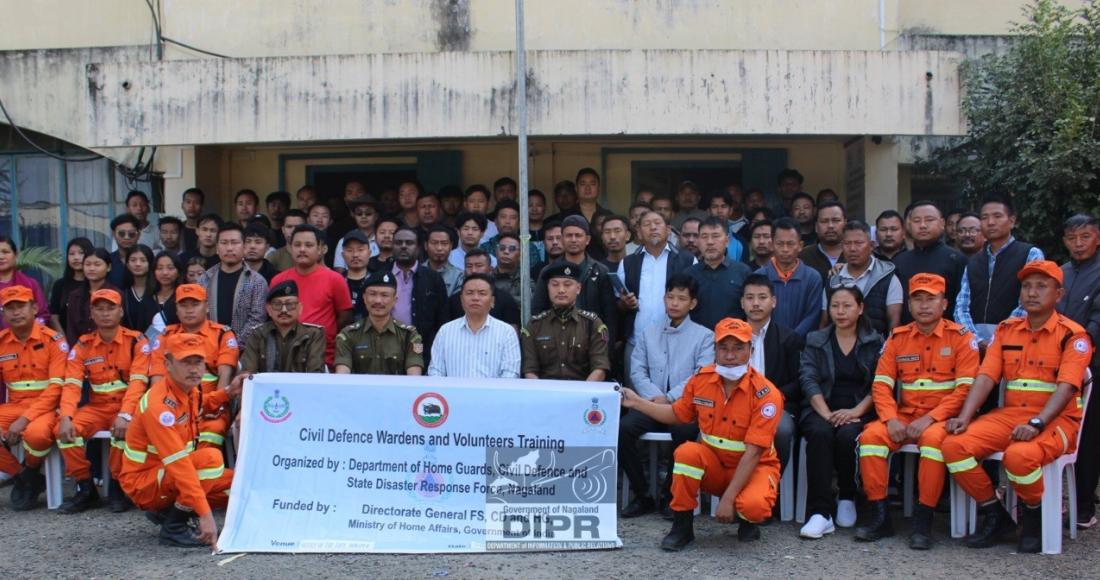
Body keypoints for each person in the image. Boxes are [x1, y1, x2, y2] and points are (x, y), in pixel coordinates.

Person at [943, 261, 1090, 553]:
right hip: (1010, 415)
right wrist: (965, 416)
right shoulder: (1007, 330)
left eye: (1041, 286)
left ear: (1059, 294)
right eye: (1026, 286)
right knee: (953, 446)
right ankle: (995, 514)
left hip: (1056, 420)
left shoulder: (1073, 335)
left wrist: (1037, 423)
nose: (1032, 293)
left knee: (1019, 456)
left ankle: (1033, 514)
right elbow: (986, 377)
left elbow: (1067, 386)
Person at [621, 317, 784, 550]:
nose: (730, 356)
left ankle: (746, 520)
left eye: (738, 348)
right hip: (715, 465)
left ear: (752, 350)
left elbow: (754, 453)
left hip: (752, 468)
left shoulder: (766, 394)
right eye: (723, 348)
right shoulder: (701, 381)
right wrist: (638, 403)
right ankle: (682, 528)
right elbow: (677, 414)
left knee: (754, 507)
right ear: (714, 350)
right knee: (686, 453)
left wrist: (728, 499)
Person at [853, 274, 979, 549]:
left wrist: (931, 418)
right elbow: (881, 385)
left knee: (933, 443)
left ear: (944, 303)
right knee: (871, 438)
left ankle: (924, 521)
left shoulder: (961, 338)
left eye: (930, 299)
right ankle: (880, 516)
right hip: (904, 415)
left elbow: (965, 390)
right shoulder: (897, 338)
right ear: (909, 305)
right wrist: (890, 419)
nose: (924, 305)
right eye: (917, 299)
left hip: (940, 419)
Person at [121, 333, 241, 547]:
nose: (194, 369)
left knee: (240, 484)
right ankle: (174, 527)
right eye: (186, 362)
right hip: (146, 484)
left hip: (165, 477)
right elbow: (179, 464)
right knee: (211, 459)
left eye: (198, 362)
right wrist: (206, 516)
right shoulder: (159, 406)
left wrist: (229, 392)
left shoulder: (187, 390)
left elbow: (201, 403)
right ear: (168, 364)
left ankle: (168, 512)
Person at [620, 274, 712, 518]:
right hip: (650, 404)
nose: (674, 303)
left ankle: (670, 494)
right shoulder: (648, 333)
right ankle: (643, 495)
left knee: (684, 430)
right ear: (664, 299)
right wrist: (655, 397)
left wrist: (670, 397)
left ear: (693, 303)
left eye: (681, 298)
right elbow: (637, 370)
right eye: (670, 297)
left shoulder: (705, 336)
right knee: (623, 429)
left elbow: (700, 376)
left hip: (684, 407)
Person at [54, 288, 150, 513]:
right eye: (99, 309)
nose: (105, 313)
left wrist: (125, 414)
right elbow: (72, 385)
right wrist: (66, 416)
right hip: (97, 407)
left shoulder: (136, 341)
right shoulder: (83, 345)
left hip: (127, 407)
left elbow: (138, 383)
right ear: (91, 313)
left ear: (121, 312)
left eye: (110, 308)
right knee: (64, 431)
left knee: (125, 432)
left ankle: (118, 486)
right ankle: (86, 487)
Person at [798, 286, 884, 539]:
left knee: (848, 435)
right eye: (835, 306)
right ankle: (820, 512)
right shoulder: (816, 339)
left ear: (860, 308)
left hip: (860, 408)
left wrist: (856, 411)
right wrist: (826, 414)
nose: (840, 311)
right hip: (822, 407)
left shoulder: (874, 341)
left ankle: (847, 495)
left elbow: (880, 383)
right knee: (820, 433)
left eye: (847, 306)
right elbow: (808, 379)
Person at [0, 286, 68, 504]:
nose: (15, 312)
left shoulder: (53, 340)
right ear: (4, 314)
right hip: (15, 405)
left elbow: (56, 388)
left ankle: (30, 469)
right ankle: (24, 476)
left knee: (36, 434)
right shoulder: (1, 342)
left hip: (46, 407)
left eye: (21, 306)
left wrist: (23, 420)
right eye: (10, 308)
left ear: (35, 308)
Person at [956, 194, 1045, 350]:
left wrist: (999, 338)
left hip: (1017, 341)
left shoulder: (1030, 254)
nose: (990, 222)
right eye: (984, 217)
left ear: (1012, 221)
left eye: (997, 216)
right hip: (974, 346)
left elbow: (1029, 302)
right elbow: (961, 307)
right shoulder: (974, 261)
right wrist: (975, 339)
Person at [1057, 215, 1100, 528]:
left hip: (1092, 366)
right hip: (1055, 365)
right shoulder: (1060, 272)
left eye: (1085, 237)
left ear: (1097, 237)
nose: (1079, 244)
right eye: (1072, 238)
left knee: (1088, 437)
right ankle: (1052, 501)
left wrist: (1077, 349)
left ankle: (1084, 505)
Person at [618, 211, 695, 382]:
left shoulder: (688, 260)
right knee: (634, 393)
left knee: (674, 392)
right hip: (637, 341)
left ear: (668, 230)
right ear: (639, 233)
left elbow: (694, 300)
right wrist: (625, 303)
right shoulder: (628, 262)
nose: (653, 227)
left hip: (677, 342)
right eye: (646, 224)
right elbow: (619, 302)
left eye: (657, 223)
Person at [742, 273, 804, 472]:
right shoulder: (730, 338)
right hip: (736, 404)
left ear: (774, 301)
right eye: (750, 298)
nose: (756, 303)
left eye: (762, 297)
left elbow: (798, 381)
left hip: (777, 405)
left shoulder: (789, 338)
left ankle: (771, 482)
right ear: (742, 303)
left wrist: (772, 397)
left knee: (782, 431)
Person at [271, 224, 354, 367]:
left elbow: (344, 318)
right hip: (284, 356)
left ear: (320, 249)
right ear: (290, 248)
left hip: (323, 357)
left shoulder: (335, 279)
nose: (302, 249)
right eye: (297, 245)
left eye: (308, 245)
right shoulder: (278, 280)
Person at [532, 216, 618, 344]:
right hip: (556, 341)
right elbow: (538, 310)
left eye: (578, 235)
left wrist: (607, 347)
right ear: (562, 239)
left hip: (592, 341)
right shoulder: (548, 271)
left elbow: (610, 315)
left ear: (587, 239)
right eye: (568, 235)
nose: (573, 240)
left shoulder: (600, 271)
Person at [521, 263, 610, 381]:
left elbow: (600, 368)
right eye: (555, 285)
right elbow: (530, 371)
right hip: (545, 390)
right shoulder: (535, 325)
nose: (561, 290)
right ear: (548, 288)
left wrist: (583, 391)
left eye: (567, 285)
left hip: (583, 389)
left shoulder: (592, 324)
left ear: (578, 288)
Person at [427, 274, 521, 378]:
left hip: (495, 389)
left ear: (492, 301)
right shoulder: (446, 331)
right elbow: (435, 371)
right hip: (452, 389)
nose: (475, 298)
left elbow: (511, 373)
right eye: (470, 293)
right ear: (461, 299)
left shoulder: (506, 332)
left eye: (482, 293)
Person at [334, 272, 425, 375]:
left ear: (395, 300)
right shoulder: (348, 335)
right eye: (372, 294)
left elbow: (414, 378)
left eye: (384, 295)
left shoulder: (409, 335)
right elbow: (342, 375)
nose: (378, 301)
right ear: (364, 298)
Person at [892, 201, 968, 324]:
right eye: (917, 221)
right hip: (907, 332)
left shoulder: (956, 259)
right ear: (909, 225)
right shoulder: (899, 261)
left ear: (942, 223)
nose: (922, 225)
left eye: (929, 220)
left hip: (947, 331)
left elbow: (963, 304)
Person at [823, 221, 903, 334]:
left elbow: (894, 323)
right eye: (847, 243)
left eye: (859, 243)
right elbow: (825, 322)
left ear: (871, 246)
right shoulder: (834, 280)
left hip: (878, 343)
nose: (852, 248)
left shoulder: (887, 277)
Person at [197, 222, 268, 345]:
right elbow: (198, 316)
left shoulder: (257, 281)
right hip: (209, 347)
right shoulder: (204, 280)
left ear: (244, 247)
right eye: (224, 243)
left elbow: (257, 320)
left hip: (245, 350)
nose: (229, 248)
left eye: (234, 242)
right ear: (217, 248)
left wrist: (232, 346)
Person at [239, 280, 326, 373]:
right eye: (277, 304)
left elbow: (316, 374)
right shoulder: (258, 334)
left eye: (290, 304)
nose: (284, 310)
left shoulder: (313, 335)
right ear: (269, 310)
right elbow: (248, 373)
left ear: (300, 308)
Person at [757, 218, 823, 337]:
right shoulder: (759, 276)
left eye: (790, 244)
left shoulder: (812, 278)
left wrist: (792, 338)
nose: (785, 249)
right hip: (767, 342)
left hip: (802, 344)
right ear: (772, 245)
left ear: (800, 246)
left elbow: (813, 315)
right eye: (780, 244)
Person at [391, 227, 449, 361]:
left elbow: (443, 318)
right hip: (387, 345)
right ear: (392, 246)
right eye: (399, 242)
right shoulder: (381, 276)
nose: (403, 246)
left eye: (409, 243)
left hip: (423, 347)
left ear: (418, 247)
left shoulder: (433, 278)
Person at [686, 217, 751, 330]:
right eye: (704, 237)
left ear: (727, 241)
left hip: (733, 338)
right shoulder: (688, 274)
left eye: (715, 236)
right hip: (696, 339)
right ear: (698, 241)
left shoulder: (743, 272)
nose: (710, 242)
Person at [448, 249, 520, 326]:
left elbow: (513, 330)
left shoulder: (505, 299)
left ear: (490, 270)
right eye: (469, 266)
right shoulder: (454, 300)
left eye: (479, 266)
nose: (473, 270)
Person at [64, 248, 118, 344]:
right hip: (80, 348)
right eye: (87, 264)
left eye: (97, 264)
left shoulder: (116, 294)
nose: (91, 268)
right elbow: (71, 330)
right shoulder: (75, 296)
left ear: (108, 267)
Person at [49, 237, 94, 334]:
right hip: (66, 338)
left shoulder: (95, 283)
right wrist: (63, 339)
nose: (76, 257)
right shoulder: (60, 285)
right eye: (71, 254)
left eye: (81, 253)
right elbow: (54, 316)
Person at [799, 201, 845, 282]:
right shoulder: (804, 257)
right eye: (824, 221)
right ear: (816, 226)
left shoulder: (857, 253)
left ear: (845, 223)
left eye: (836, 220)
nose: (830, 226)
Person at [333, 197, 380, 272]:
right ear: (353, 216)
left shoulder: (382, 240)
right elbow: (339, 272)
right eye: (359, 213)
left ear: (376, 216)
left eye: (368, 213)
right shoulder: (343, 241)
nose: (363, 216)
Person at [122, 244, 159, 333]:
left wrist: (147, 339)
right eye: (133, 260)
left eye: (143, 260)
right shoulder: (124, 293)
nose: (137, 264)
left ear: (150, 263)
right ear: (127, 264)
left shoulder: (158, 291)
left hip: (156, 339)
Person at [704, 190, 745, 261]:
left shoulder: (740, 242)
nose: (719, 211)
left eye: (723, 206)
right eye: (715, 206)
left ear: (731, 210)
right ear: (708, 211)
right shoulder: (700, 240)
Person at [149, 251, 182, 336]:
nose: (165, 273)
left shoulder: (183, 297)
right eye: (160, 268)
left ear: (179, 272)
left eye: (170, 268)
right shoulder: (147, 299)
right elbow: (142, 332)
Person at [342, 230, 372, 321]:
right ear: (342, 255)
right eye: (349, 250)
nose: (355, 255)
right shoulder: (336, 281)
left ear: (369, 253)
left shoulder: (376, 280)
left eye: (360, 250)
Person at [493, 232, 530, 305]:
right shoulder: (486, 278)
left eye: (512, 249)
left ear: (520, 255)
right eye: (502, 248)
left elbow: (528, 303)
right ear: (496, 252)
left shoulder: (526, 281)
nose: (506, 252)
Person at [108, 214, 142, 287]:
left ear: (138, 235)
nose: (126, 237)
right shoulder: (107, 260)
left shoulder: (148, 260)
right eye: (121, 233)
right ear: (114, 234)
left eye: (131, 234)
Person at [180, 187, 205, 252]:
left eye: (196, 203)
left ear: (202, 206)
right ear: (182, 205)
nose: (191, 206)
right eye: (188, 202)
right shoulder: (178, 229)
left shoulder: (208, 230)